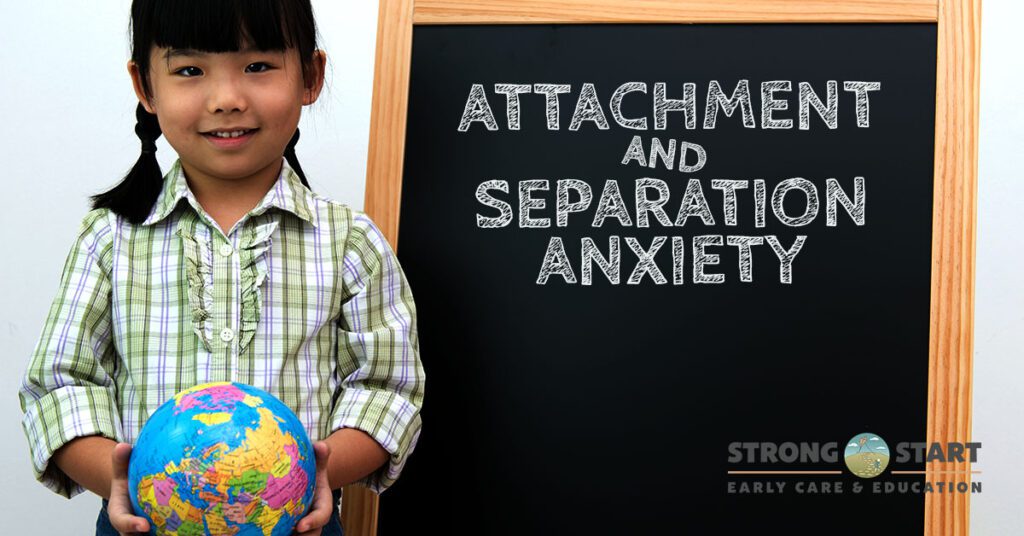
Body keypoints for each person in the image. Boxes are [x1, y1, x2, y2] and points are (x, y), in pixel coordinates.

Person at [16, 1, 425, 535]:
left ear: (311, 75)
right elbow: (59, 383)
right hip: (146, 521)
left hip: (294, 521)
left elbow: (387, 388)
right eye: (190, 70)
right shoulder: (110, 238)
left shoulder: (350, 242)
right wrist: (118, 478)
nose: (227, 99)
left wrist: (321, 472)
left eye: (257, 66)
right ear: (145, 86)